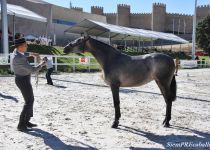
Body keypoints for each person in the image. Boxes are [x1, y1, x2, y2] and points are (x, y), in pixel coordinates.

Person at [12, 38, 46, 131]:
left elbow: (23, 54)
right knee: (29, 102)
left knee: (30, 100)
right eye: (25, 45)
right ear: (20, 47)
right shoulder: (19, 58)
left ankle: (26, 121)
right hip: (23, 80)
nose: (27, 46)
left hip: (23, 79)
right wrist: (42, 63)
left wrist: (32, 54)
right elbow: (33, 70)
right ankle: (21, 124)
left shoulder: (16, 52)